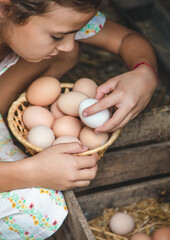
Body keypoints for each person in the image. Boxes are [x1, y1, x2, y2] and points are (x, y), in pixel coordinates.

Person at [0, 0, 158, 239]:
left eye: (75, 32)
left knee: (66, 54)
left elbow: (128, 40)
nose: (68, 44)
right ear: (5, 8)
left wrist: (145, 73)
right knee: (41, 209)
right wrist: (31, 171)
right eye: (57, 36)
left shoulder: (55, 15)